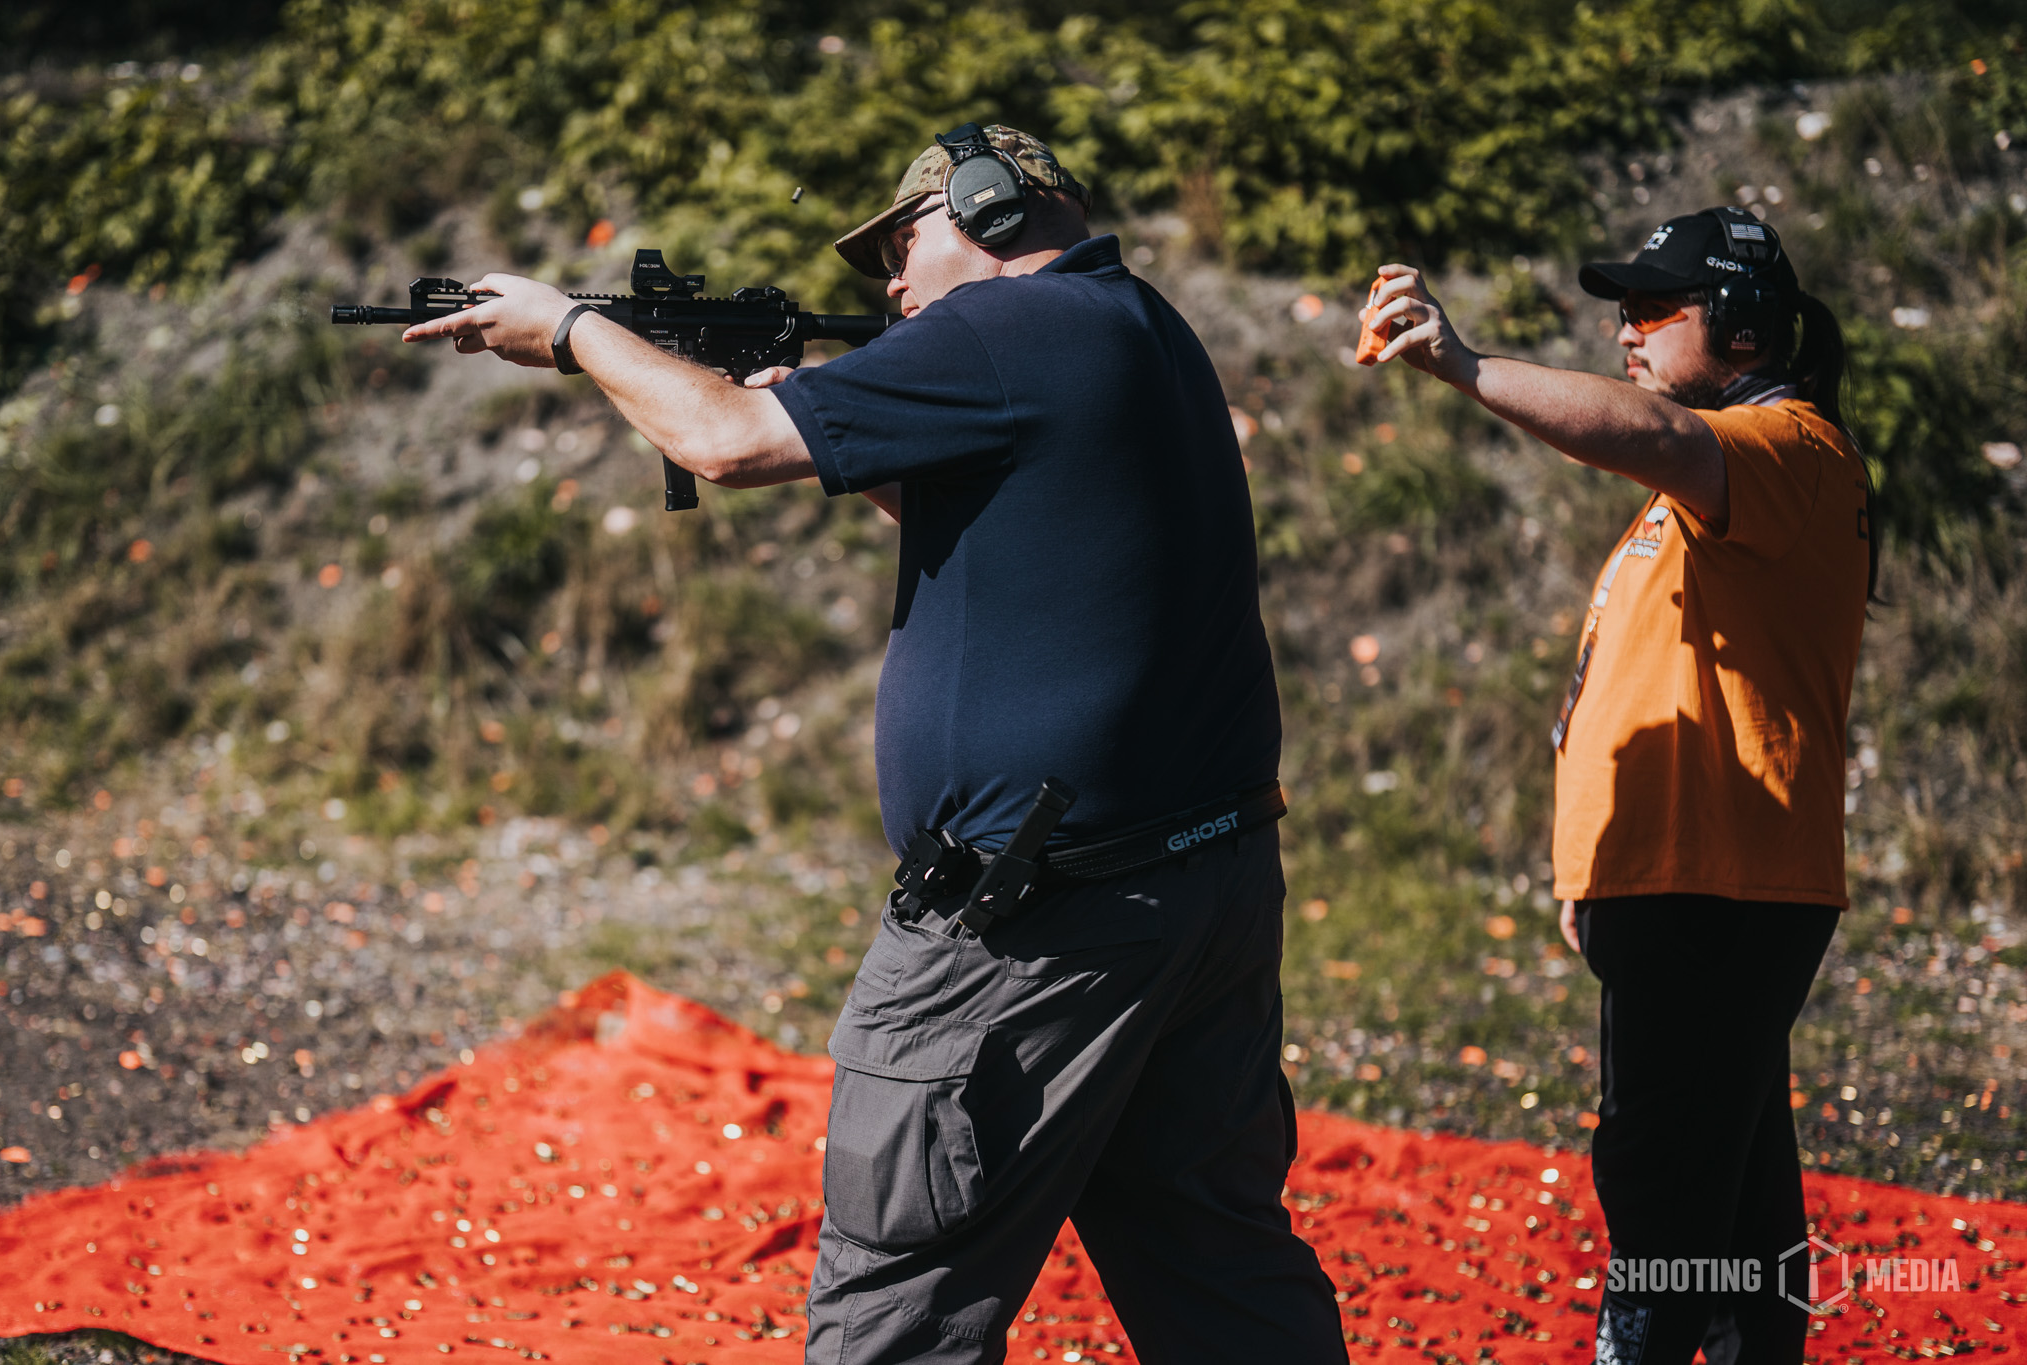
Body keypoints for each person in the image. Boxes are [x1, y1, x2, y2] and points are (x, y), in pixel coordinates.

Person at [402, 125, 1348, 1364]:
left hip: (1036, 925)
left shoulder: (1006, 330)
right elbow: (974, 483)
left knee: (897, 1302)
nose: (892, 288)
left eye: (904, 248)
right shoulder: (1136, 324)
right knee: (1217, 1274)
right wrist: (790, 385)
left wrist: (578, 335)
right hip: (1194, 887)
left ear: (989, 210)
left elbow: (724, 447)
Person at [1362, 208, 1870, 1365]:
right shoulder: (1710, 490)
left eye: (1652, 308)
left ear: (1740, 328)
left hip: (1716, 883)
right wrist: (1588, 862)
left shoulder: (1787, 446)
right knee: (1730, 1200)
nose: (1622, 330)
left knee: (1661, 1195)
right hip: (1676, 884)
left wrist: (1468, 364)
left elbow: (1646, 430)